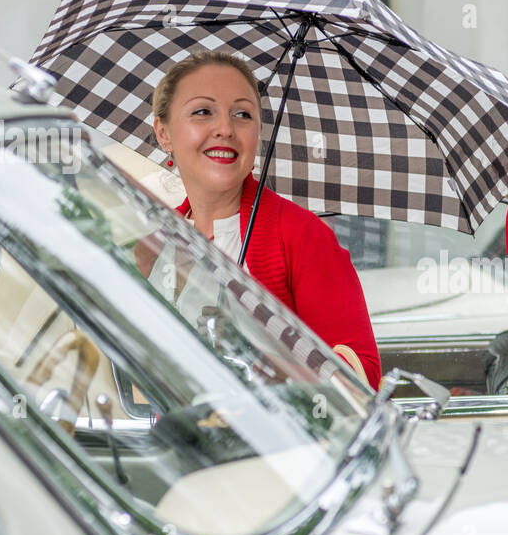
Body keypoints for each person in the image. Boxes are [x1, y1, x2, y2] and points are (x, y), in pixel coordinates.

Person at [149, 49, 381, 389]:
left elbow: (364, 376)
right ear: (163, 133)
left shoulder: (302, 236)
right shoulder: (154, 238)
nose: (225, 129)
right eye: (202, 112)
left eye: (243, 114)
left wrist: (258, 358)